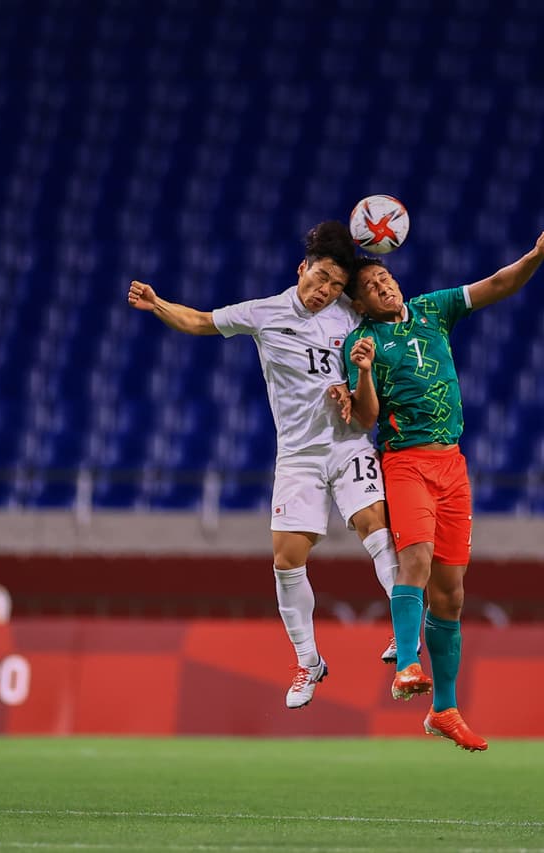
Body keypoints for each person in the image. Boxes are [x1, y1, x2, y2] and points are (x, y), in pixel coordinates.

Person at [126, 221, 401, 710]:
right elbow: (199, 322)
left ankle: (405, 630)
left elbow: (386, 310)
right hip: (298, 455)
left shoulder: (348, 313)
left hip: (350, 442)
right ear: (302, 269)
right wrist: (158, 304)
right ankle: (308, 661)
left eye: (337, 285)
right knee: (286, 560)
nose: (326, 291)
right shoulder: (264, 313)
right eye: (320, 279)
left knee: (373, 525)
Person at [343, 229, 544, 751]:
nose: (385, 286)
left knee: (451, 594)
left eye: (386, 276)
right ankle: (406, 665)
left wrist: (535, 256)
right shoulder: (362, 344)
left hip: (452, 465)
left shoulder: (432, 310)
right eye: (373, 285)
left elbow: (495, 285)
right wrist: (361, 373)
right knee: (416, 561)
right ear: (358, 303)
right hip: (405, 463)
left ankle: (443, 709)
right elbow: (367, 418)